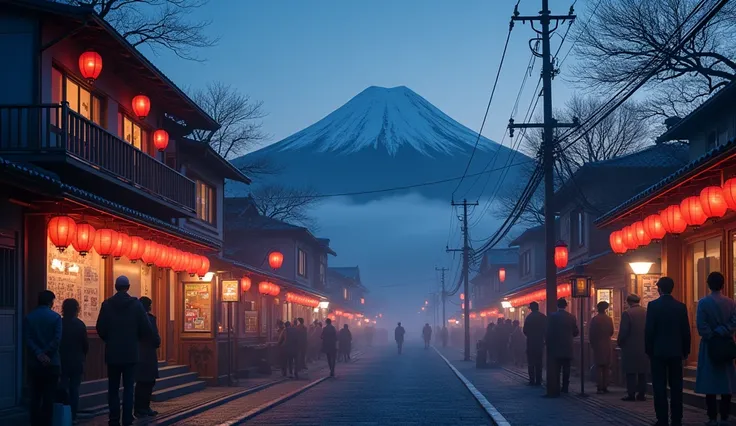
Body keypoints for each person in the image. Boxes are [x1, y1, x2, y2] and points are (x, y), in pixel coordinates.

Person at [96, 276, 153, 426]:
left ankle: (113, 419)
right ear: (128, 287)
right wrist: (136, 339)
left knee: (113, 388)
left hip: (113, 352)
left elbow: (100, 328)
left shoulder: (107, 305)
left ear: (115, 286)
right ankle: (127, 419)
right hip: (131, 352)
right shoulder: (136, 305)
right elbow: (146, 327)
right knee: (128, 388)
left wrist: (109, 339)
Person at [645, 276, 691, 426]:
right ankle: (677, 419)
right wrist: (686, 350)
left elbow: (649, 331)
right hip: (676, 351)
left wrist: (649, 350)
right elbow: (686, 331)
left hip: (658, 352)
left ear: (659, 289)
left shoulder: (653, 306)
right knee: (676, 386)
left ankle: (662, 419)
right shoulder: (680, 306)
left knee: (659, 386)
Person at [695, 272, 736, 426]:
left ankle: (712, 417)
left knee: (709, 382)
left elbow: (701, 324)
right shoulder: (731, 302)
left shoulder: (703, 303)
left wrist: (711, 334)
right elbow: (734, 322)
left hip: (709, 344)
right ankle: (725, 416)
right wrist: (724, 331)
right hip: (726, 344)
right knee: (727, 382)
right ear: (723, 285)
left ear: (708, 284)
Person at [25, 290, 62, 426]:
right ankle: (47, 423)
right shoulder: (56, 318)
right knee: (49, 398)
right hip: (52, 363)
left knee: (35, 396)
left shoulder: (30, 317)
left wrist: (38, 353)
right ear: (50, 302)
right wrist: (46, 353)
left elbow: (28, 339)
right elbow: (57, 339)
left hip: (34, 363)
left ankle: (34, 423)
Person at [60, 298, 88, 425]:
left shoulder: (60, 323)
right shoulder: (80, 324)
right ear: (77, 309)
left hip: (62, 360)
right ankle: (73, 415)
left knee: (62, 386)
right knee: (74, 389)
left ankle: (62, 414)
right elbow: (85, 344)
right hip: (77, 360)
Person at [618, 294, 648, 402]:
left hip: (630, 347)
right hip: (644, 346)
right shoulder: (646, 312)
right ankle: (642, 394)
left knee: (630, 372)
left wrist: (620, 342)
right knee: (642, 372)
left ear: (629, 302)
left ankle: (631, 394)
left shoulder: (627, 313)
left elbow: (624, 331)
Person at [134, 297, 161, 418]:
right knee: (147, 382)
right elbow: (154, 336)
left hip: (138, 353)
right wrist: (157, 341)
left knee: (142, 382)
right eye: (149, 305)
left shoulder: (134, 319)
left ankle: (141, 408)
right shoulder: (149, 319)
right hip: (147, 353)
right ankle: (143, 408)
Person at [547, 298, 579, 394]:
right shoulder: (571, 317)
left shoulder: (552, 317)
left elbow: (549, 332)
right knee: (566, 368)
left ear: (557, 305)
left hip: (555, 346)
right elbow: (576, 332)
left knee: (556, 368)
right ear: (566, 305)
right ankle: (565, 387)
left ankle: (556, 385)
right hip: (568, 346)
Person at [589, 301, 614, 394]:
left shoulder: (595, 319)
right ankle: (605, 385)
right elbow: (611, 332)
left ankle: (599, 386)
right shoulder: (609, 319)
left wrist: (592, 343)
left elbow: (591, 333)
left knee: (598, 366)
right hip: (607, 344)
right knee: (606, 367)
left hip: (597, 345)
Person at [523, 301, 547, 386]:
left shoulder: (529, 318)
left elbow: (525, 331)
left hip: (530, 342)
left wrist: (530, 335)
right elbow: (547, 329)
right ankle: (539, 380)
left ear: (531, 309)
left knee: (531, 362)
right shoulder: (543, 317)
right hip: (540, 342)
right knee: (539, 362)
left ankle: (532, 380)